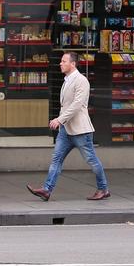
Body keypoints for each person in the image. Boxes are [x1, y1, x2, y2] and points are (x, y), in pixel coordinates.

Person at [26, 52, 109, 201]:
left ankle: (103, 189)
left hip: (80, 131)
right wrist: (62, 122)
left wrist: (59, 119)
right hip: (66, 130)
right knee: (56, 159)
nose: (60, 63)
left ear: (73, 64)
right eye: (61, 61)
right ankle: (46, 190)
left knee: (92, 160)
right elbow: (65, 105)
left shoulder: (81, 81)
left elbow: (77, 105)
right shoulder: (67, 80)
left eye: (64, 61)